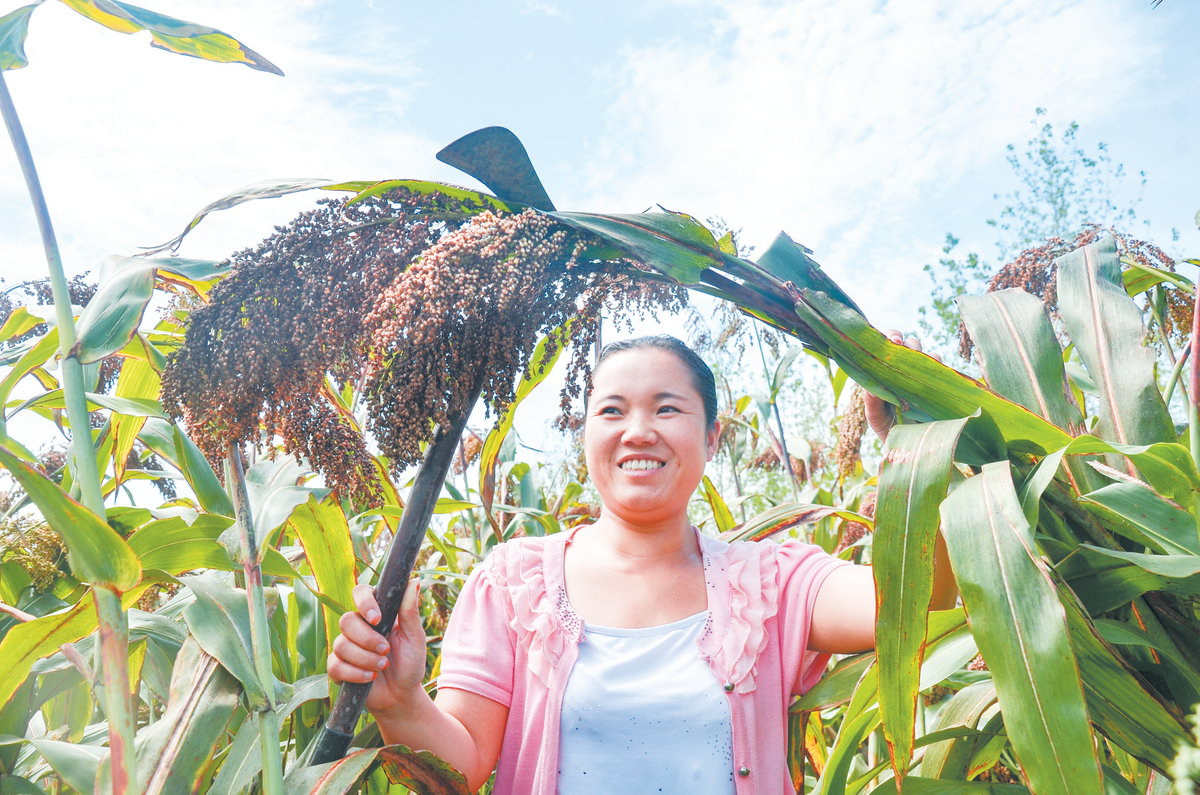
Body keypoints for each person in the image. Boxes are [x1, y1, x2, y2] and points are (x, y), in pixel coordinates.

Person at [329, 333, 956, 795]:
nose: (638, 430)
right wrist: (401, 700)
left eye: (667, 408)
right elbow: (459, 774)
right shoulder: (513, 582)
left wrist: (922, 447)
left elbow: (915, 597)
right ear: (585, 437)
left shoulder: (770, 583)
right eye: (612, 410)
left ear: (712, 437)